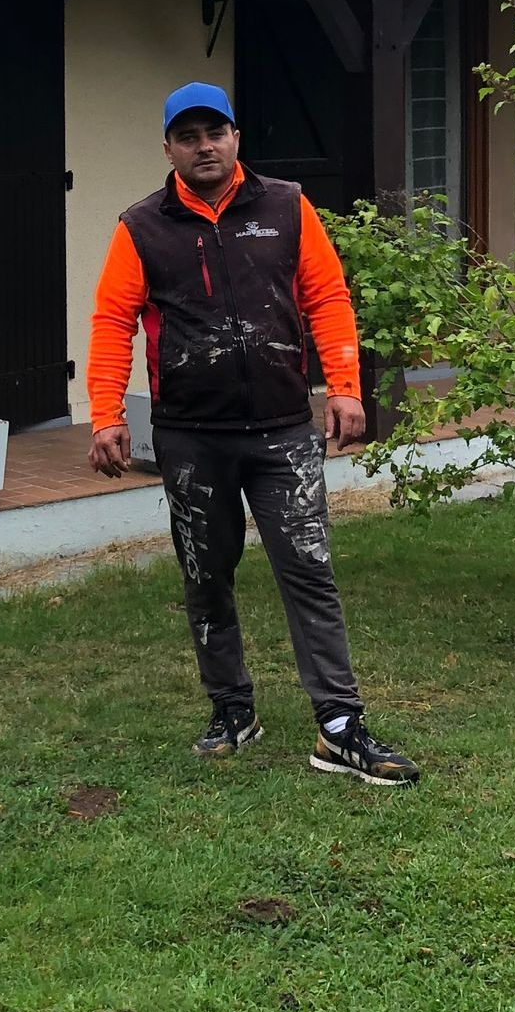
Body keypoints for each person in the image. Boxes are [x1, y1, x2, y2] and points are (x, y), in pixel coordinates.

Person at [86, 80, 419, 784]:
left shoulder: (287, 206)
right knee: (207, 574)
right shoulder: (140, 227)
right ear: (169, 147)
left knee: (308, 570)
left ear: (236, 137)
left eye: (216, 132)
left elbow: (327, 296)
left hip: (281, 433)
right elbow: (113, 320)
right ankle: (232, 708)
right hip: (189, 436)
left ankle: (339, 726)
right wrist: (108, 414)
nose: (204, 146)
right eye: (189, 136)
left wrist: (347, 387)